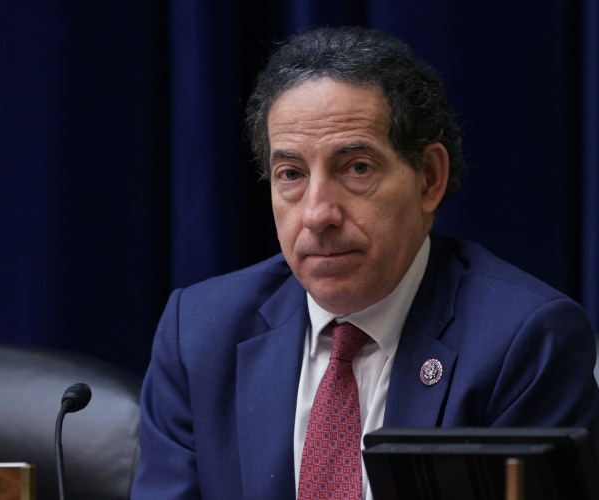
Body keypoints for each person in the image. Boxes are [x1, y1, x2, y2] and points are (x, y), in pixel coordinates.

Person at [131, 26, 599, 499]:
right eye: (290, 174)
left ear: (429, 179)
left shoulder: (525, 342)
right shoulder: (198, 334)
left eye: (356, 168)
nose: (317, 214)